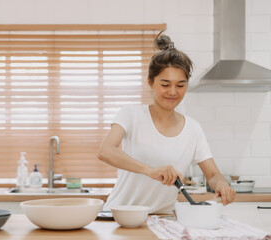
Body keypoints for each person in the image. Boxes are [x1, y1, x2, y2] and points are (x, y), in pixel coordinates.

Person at [98, 32, 235, 214]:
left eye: (180, 85)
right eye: (165, 84)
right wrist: (150, 170)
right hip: (121, 216)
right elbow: (106, 151)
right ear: (150, 82)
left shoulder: (193, 129)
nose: (173, 92)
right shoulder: (130, 115)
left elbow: (212, 175)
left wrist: (223, 185)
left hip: (163, 219)